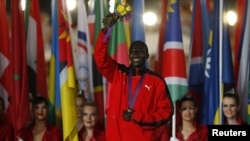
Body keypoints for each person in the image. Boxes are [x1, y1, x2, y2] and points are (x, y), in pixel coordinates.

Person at [94, 13, 173, 141]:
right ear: (129, 56)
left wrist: (139, 116)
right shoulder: (117, 73)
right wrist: (107, 31)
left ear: (147, 56)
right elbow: (99, 57)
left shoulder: (156, 81)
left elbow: (166, 113)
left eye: (140, 51)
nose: (136, 53)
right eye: (133, 51)